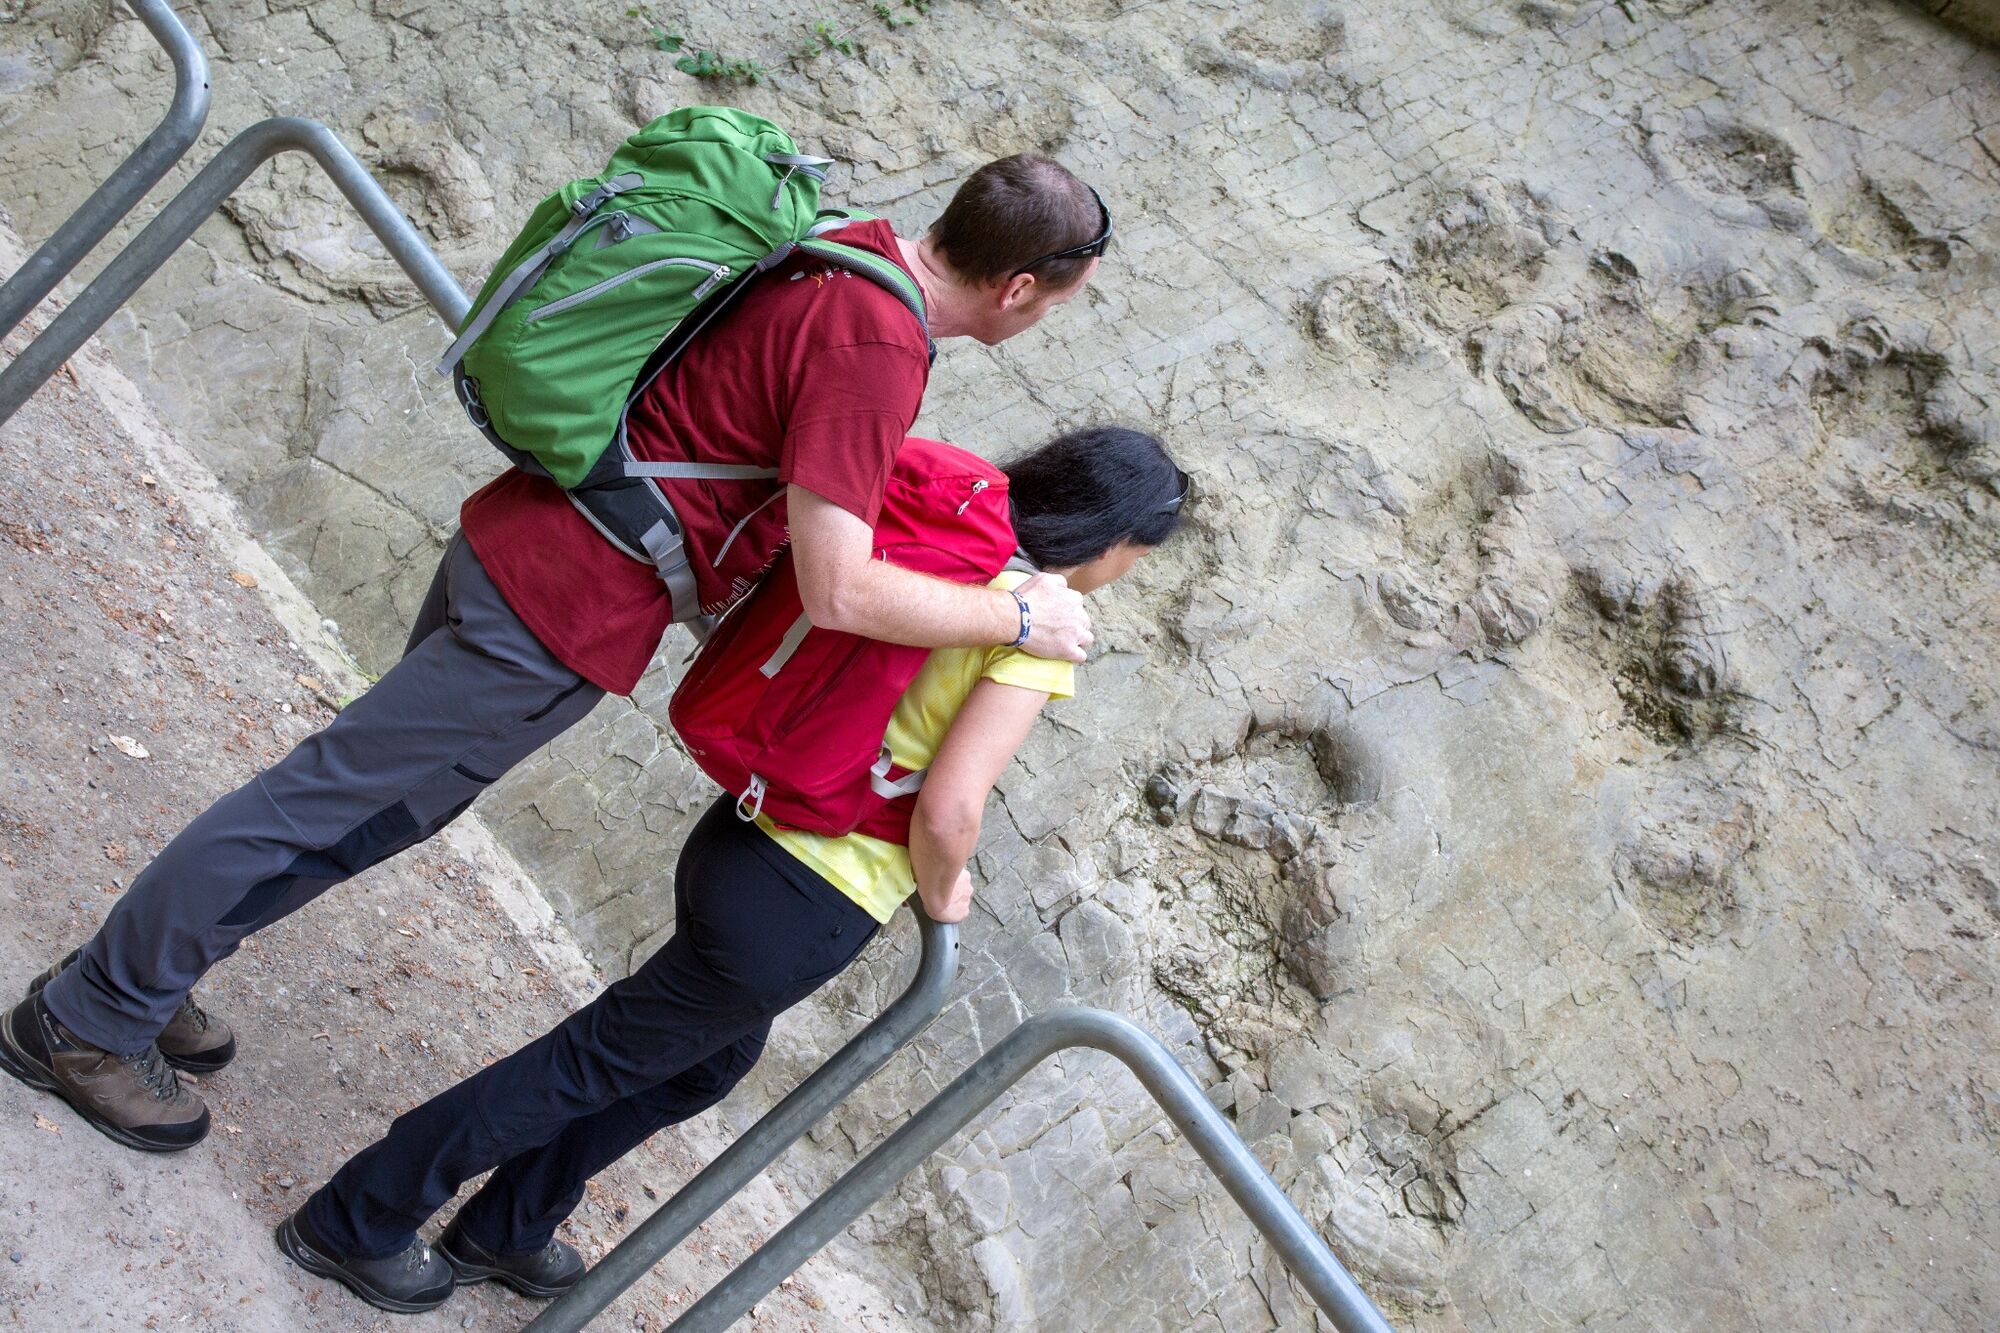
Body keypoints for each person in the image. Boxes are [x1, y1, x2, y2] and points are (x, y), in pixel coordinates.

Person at [0, 154, 1114, 1152]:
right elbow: (840, 588)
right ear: (1019, 286)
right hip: (564, 605)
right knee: (321, 797)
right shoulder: (876, 347)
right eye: (1064, 300)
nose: (1052, 318)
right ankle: (88, 1018)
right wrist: (1019, 621)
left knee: (381, 809)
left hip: (534, 536)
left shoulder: (840, 246)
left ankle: (150, 973)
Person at [272, 424, 1190, 1313]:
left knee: (702, 1065)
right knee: (590, 1060)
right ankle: (357, 1216)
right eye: (1138, 556)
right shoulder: (1035, 627)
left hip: (743, 839)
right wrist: (946, 889)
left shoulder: (943, 546)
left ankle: (510, 1223)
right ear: (1116, 539)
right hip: (806, 898)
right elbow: (950, 808)